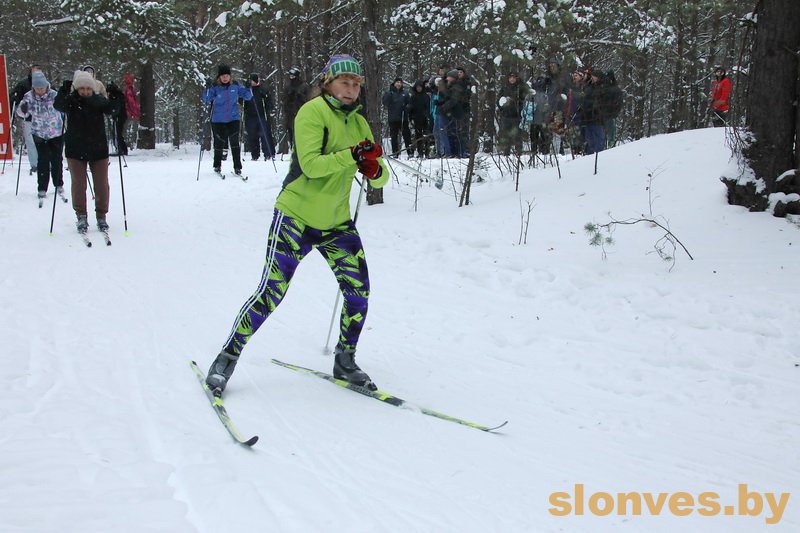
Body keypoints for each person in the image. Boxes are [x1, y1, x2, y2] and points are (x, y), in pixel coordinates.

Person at [205, 54, 389, 396]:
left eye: (356, 84)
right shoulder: (312, 112)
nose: (351, 89)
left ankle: (345, 360)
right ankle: (226, 357)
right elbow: (312, 165)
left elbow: (381, 179)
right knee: (271, 293)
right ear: (328, 83)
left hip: (336, 224)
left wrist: (373, 168)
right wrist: (351, 156)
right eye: (344, 82)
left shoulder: (359, 123)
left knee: (358, 293)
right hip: (295, 218)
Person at [54, 70, 119, 233]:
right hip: (75, 148)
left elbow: (113, 110)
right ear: (77, 88)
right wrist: (63, 91)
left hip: (98, 148)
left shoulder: (99, 101)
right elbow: (58, 105)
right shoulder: (71, 101)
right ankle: (81, 216)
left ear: (92, 88)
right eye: (81, 88)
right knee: (78, 184)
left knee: (102, 184)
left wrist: (116, 95)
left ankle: (101, 216)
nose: (85, 91)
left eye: (88, 88)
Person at [16, 71, 64, 203]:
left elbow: (63, 108)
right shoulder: (29, 96)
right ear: (33, 87)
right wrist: (23, 109)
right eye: (37, 88)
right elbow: (21, 112)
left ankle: (58, 184)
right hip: (39, 133)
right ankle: (42, 188)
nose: (40, 91)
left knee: (56, 159)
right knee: (43, 160)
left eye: (42, 88)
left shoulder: (54, 94)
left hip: (56, 132)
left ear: (46, 86)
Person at [202, 64, 252, 176]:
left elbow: (247, 96)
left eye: (227, 76)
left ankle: (237, 167)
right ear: (219, 77)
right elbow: (206, 99)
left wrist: (248, 88)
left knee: (234, 143)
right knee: (219, 143)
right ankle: (217, 165)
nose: (225, 78)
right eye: (223, 76)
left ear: (230, 76)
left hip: (233, 118)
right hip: (218, 120)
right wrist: (207, 88)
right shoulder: (215, 87)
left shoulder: (235, 86)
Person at [9, 65, 42, 172]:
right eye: (34, 71)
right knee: (31, 142)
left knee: (43, 142)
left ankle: (45, 163)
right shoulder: (23, 84)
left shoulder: (46, 84)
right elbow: (14, 96)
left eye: (38, 71)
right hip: (28, 118)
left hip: (44, 118)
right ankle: (34, 164)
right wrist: (14, 99)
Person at [496, 72, 531, 156]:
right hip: (506, 115)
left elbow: (526, 95)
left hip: (516, 115)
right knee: (506, 135)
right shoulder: (504, 88)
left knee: (517, 135)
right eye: (510, 77)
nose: (512, 79)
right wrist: (502, 108)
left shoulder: (520, 88)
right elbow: (499, 100)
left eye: (514, 77)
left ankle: (518, 152)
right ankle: (506, 153)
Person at [244, 73, 275, 161]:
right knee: (252, 136)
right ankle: (255, 154)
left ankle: (268, 153)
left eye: (252, 81)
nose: (251, 82)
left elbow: (269, 100)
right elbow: (242, 100)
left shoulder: (262, 90)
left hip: (261, 115)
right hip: (250, 116)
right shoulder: (248, 90)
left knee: (265, 135)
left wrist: (270, 107)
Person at [382, 77, 413, 157]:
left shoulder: (405, 93)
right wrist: (388, 94)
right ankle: (395, 153)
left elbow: (410, 103)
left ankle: (410, 152)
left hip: (403, 118)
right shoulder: (389, 92)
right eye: (397, 82)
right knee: (394, 136)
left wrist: (407, 107)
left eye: (400, 82)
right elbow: (385, 102)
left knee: (406, 135)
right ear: (394, 83)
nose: (399, 84)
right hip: (393, 118)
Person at [283, 66, 310, 150]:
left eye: (293, 76)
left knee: (301, 133)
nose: (291, 78)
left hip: (301, 113)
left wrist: (299, 96)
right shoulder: (288, 87)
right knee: (291, 133)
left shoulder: (304, 86)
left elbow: (308, 100)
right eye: (290, 76)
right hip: (290, 114)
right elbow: (284, 101)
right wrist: (289, 97)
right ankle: (293, 149)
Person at [409, 80, 431, 158]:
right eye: (417, 87)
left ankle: (427, 152)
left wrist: (427, 116)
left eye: (420, 87)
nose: (419, 88)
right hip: (416, 118)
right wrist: (411, 118)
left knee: (426, 135)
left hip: (425, 118)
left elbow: (428, 107)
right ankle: (420, 152)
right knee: (418, 135)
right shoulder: (413, 97)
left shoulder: (426, 96)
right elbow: (410, 109)